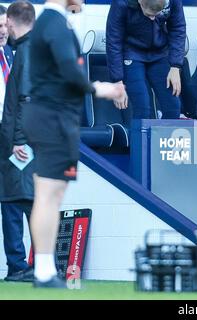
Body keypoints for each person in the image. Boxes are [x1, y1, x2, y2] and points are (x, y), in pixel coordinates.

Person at [23, 0, 125, 288]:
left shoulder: (58, 22)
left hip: (55, 116)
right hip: (50, 116)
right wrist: (100, 88)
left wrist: (77, 16)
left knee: (52, 194)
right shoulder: (53, 22)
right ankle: (43, 271)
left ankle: (45, 270)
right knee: (48, 192)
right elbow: (70, 69)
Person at [0, 0, 35, 283]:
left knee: (16, 198)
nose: (2, 30)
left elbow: (20, 102)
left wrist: (18, 139)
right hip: (13, 137)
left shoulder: (17, 54)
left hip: (14, 138)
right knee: (17, 198)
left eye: (4, 24)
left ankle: (21, 265)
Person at [106, 0, 186, 119]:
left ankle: (161, 137)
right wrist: (117, 81)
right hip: (132, 53)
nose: (153, 18)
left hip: (160, 53)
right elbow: (113, 41)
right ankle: (140, 138)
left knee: (173, 106)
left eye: (157, 14)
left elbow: (178, 29)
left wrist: (175, 67)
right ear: (140, 2)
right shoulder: (121, 3)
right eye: (149, 14)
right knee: (142, 108)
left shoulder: (173, 1)